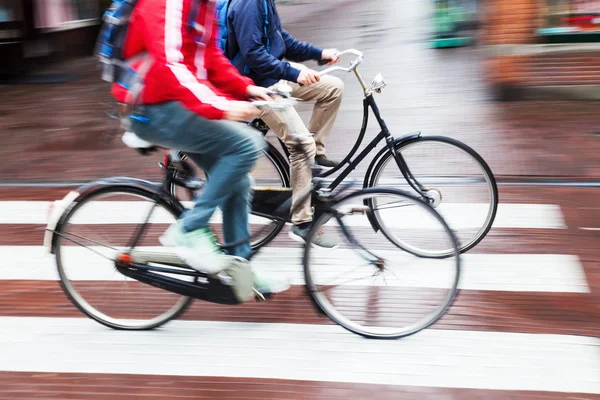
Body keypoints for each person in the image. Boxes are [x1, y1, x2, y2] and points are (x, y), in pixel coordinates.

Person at [112, 0, 289, 295]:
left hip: (175, 104)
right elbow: (171, 63)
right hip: (152, 108)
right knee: (247, 145)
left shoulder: (202, 4)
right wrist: (222, 107)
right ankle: (189, 229)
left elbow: (208, 57)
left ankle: (239, 270)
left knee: (239, 180)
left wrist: (246, 88)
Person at [225, 0, 344, 246]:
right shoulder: (249, 4)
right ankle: (302, 223)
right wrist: (294, 73)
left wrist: (318, 53)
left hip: (276, 75)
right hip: (260, 86)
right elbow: (254, 54)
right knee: (301, 145)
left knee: (333, 88)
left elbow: (281, 41)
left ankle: (315, 155)